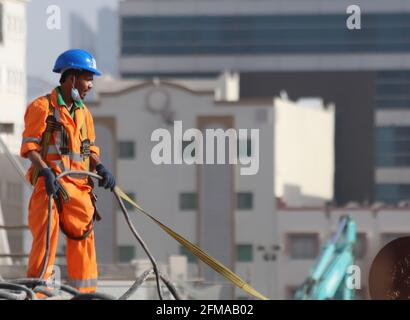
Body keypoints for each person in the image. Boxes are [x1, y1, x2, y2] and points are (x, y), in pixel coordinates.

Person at [20, 49, 115, 293]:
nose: (91, 85)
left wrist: (100, 167)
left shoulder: (84, 114)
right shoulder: (43, 107)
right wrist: (45, 171)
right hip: (51, 187)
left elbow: (89, 149)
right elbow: (29, 147)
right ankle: (36, 294)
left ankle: (85, 295)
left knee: (84, 244)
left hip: (80, 190)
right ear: (72, 78)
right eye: (88, 78)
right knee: (46, 243)